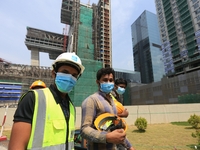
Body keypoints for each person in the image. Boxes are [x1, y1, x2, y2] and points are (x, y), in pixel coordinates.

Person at [8, 52, 85, 150]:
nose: (70, 78)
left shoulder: (71, 107)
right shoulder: (33, 99)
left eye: (74, 75)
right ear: (54, 73)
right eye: (65, 72)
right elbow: (16, 147)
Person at [80, 67, 135, 150]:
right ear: (98, 82)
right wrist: (106, 137)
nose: (108, 82)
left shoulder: (112, 102)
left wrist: (129, 146)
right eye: (105, 80)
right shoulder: (91, 100)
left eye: (111, 80)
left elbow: (116, 127)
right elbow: (84, 130)